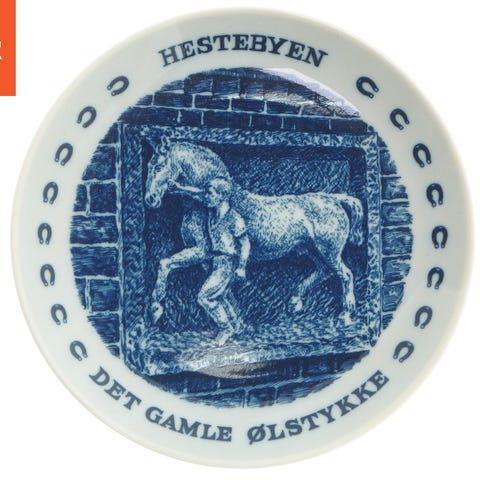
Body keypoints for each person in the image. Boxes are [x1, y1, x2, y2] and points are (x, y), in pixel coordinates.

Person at [168, 177, 250, 345]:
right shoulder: (213, 213)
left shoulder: (234, 218)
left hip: (228, 262)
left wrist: (242, 267)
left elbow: (245, 243)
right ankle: (238, 326)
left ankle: (226, 328)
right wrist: (180, 187)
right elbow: (198, 193)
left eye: (210, 194)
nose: (207, 197)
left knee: (205, 297)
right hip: (216, 261)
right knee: (222, 295)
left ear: (222, 195)